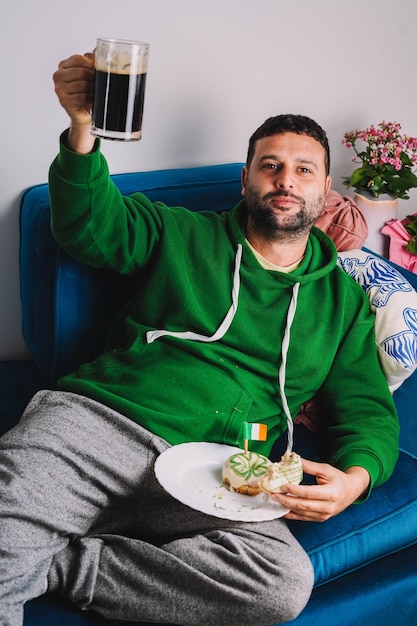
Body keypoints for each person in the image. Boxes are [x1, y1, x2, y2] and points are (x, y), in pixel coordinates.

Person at [0, 51, 399, 626]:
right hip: (100, 425)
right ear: (246, 179)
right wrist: (82, 128)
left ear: (325, 190)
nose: (286, 180)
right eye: (270, 166)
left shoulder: (343, 303)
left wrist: (355, 478)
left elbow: (368, 411)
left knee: (280, 584)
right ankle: (33, 553)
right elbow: (90, 228)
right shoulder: (180, 232)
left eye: (304, 169)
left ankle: (66, 566)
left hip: (222, 472)